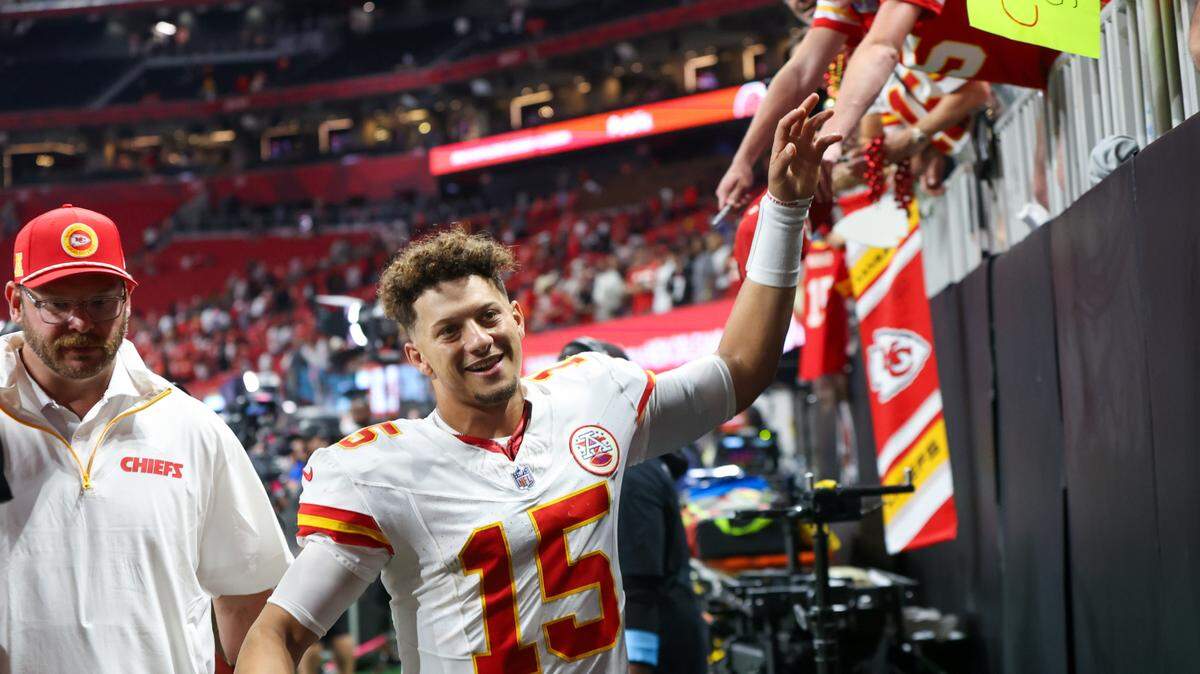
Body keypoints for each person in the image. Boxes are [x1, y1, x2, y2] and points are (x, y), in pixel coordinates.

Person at [235, 93, 839, 673]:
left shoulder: (596, 392)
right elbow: (275, 634)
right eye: (449, 331)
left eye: (488, 316)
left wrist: (785, 208)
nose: (477, 340)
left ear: (518, 319)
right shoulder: (380, 471)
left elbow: (740, 371)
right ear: (417, 357)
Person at [0, 204, 291, 673]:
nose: (81, 322)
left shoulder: (191, 427)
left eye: (100, 302)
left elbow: (253, 597)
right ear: (16, 302)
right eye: (56, 303)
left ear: (128, 300)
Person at [716, 0, 1048, 210]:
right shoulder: (847, 10)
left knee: (1048, 190)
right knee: (1044, 192)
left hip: (1083, 36)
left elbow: (881, 48)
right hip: (1045, 72)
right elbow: (800, 71)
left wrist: (828, 145)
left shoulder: (870, 40)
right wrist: (743, 160)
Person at [558, 337, 708, 674]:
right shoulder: (610, 464)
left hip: (658, 654)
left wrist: (638, 664)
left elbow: (639, 585)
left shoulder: (632, 472)